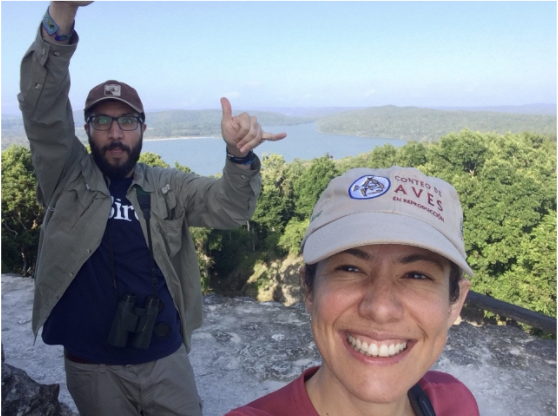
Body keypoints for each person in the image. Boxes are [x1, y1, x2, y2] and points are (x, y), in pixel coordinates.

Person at [19, 2, 286, 416]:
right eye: (102, 122)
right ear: (86, 129)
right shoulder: (65, 176)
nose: (115, 133)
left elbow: (229, 208)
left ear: (143, 128)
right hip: (93, 367)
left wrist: (239, 157)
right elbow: (42, 110)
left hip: (164, 358)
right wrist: (62, 12)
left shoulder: (166, 185)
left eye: (127, 121)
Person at [226, 166, 480, 416]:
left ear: (454, 305)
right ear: (309, 289)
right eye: (350, 269)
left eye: (417, 275)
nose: (380, 309)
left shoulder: (454, 403)